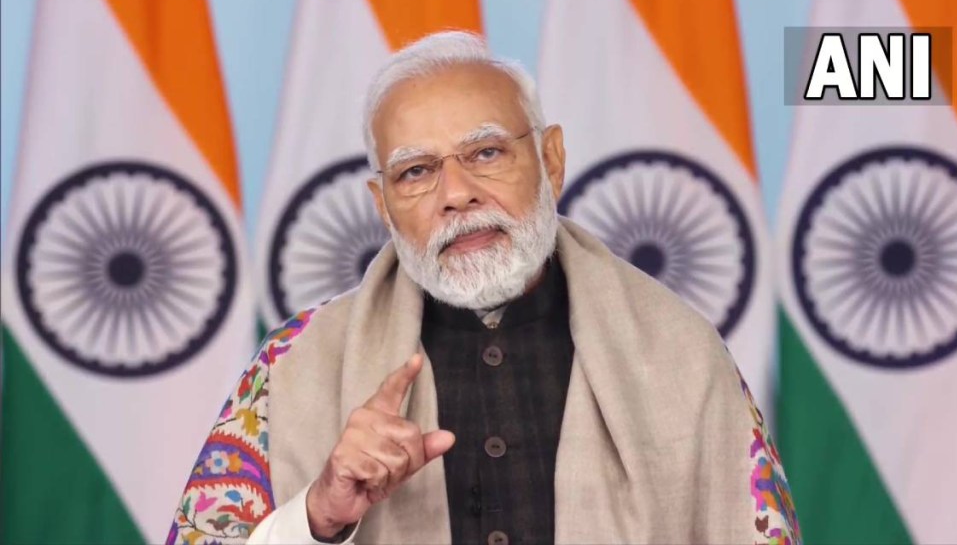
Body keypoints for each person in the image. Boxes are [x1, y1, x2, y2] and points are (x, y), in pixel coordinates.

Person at [166, 31, 800, 545]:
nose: (457, 194)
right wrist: (320, 515)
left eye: (487, 154)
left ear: (551, 161)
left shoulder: (678, 349)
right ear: (383, 206)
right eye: (416, 172)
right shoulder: (294, 364)